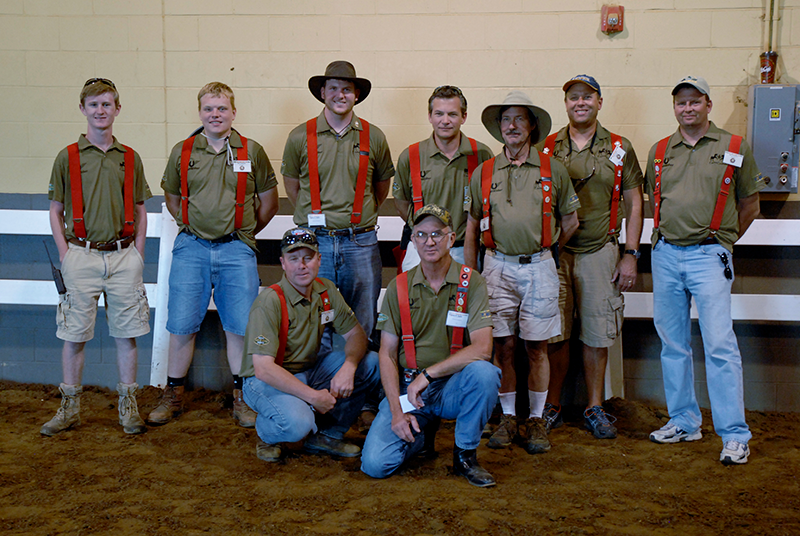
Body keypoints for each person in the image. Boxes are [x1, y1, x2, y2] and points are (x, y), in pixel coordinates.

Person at [645, 76, 764, 465]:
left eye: (695, 102)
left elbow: (750, 206)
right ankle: (684, 421)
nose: (688, 109)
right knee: (673, 345)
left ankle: (734, 434)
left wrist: (722, 242)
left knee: (719, 345)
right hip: (665, 255)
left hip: (709, 256)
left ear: (708, 105)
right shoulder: (660, 150)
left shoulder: (733, 146)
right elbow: (655, 200)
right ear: (674, 107)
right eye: (681, 103)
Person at [149, 82, 279, 427]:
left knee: (239, 328)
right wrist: (190, 225)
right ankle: (173, 395)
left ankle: (242, 398)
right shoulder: (183, 151)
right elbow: (172, 197)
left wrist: (244, 234)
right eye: (209, 108)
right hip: (191, 248)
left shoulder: (252, 151)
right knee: (181, 325)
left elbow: (269, 202)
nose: (215, 114)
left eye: (222, 108)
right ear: (200, 113)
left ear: (234, 113)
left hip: (237, 249)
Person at [465, 91, 580, 455]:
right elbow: (471, 226)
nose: (511, 126)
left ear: (531, 125)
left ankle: (535, 419)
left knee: (537, 347)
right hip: (496, 266)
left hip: (540, 267)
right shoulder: (484, 172)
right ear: (499, 129)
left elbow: (571, 220)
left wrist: (547, 250)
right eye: (505, 120)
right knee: (503, 345)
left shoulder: (552, 170)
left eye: (519, 119)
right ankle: (509, 417)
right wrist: (471, 273)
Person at [43, 78, 152, 436]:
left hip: (123, 257)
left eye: (107, 104)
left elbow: (140, 208)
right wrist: (66, 253)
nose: (100, 111)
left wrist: (138, 253)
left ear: (117, 109)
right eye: (93, 105)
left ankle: (128, 406)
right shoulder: (68, 157)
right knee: (74, 335)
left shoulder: (130, 158)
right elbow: (55, 209)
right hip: (81, 255)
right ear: (82, 109)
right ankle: (69, 406)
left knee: (127, 334)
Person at [537, 75, 644, 439]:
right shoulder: (547, 147)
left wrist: (630, 254)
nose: (579, 102)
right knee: (556, 333)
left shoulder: (619, 147)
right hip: (557, 254)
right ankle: (552, 405)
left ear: (599, 101)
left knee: (597, 334)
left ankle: (594, 405)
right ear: (565, 103)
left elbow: (634, 201)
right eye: (573, 97)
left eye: (587, 96)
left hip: (601, 251)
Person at [361, 205, 499, 487]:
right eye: (422, 234)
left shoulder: (472, 282)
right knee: (376, 464)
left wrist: (429, 375)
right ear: (413, 240)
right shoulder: (400, 287)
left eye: (437, 233)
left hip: (450, 386)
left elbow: (483, 348)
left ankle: (465, 455)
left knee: (485, 374)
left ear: (451, 238)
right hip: (408, 392)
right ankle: (420, 436)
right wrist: (397, 412)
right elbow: (386, 354)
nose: (430, 241)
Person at [240, 228, 380, 462]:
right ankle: (267, 433)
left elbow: (356, 334)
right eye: (293, 259)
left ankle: (326, 436)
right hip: (265, 379)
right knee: (298, 424)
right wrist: (314, 397)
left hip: (310, 370)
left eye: (308, 258)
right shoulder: (270, 301)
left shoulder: (325, 291)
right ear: (283, 263)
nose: (301, 265)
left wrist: (349, 366)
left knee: (371, 363)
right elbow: (263, 369)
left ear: (319, 260)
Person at [282, 61, 395, 350]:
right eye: (333, 88)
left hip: (361, 242)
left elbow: (381, 188)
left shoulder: (375, 137)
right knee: (316, 320)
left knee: (363, 318)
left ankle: (359, 387)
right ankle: (321, 388)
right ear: (322, 92)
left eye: (347, 89)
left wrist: (356, 216)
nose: (340, 95)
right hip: (315, 243)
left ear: (356, 94)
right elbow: (293, 187)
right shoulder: (299, 137)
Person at [393, 86, 493, 271]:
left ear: (464, 117)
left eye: (452, 114)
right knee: (415, 299)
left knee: (464, 299)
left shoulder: (481, 155)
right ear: (430, 116)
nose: (445, 121)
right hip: (421, 248)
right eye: (439, 114)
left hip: (466, 249)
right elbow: (401, 203)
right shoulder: (411, 156)